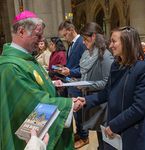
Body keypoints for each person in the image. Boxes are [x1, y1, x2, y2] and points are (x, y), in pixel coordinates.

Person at [0, 10, 83, 150]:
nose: (42, 40)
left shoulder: (25, 58)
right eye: (38, 35)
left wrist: (49, 84)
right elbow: (29, 104)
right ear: (21, 32)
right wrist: (68, 104)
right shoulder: (10, 67)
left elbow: (32, 85)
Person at [75, 26, 145, 150]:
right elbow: (108, 92)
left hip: (130, 131)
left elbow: (139, 108)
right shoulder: (116, 65)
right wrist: (87, 100)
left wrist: (115, 125)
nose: (110, 45)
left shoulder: (143, 69)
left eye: (114, 41)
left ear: (127, 42)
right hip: (113, 128)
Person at [74, 22, 114, 149]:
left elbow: (107, 82)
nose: (84, 42)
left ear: (94, 37)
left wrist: (87, 86)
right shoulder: (88, 54)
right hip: (92, 100)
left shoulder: (105, 56)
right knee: (97, 133)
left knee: (104, 137)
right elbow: (88, 75)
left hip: (101, 102)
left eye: (86, 39)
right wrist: (79, 81)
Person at [58, 20, 86, 97]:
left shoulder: (82, 42)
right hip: (70, 82)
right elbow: (71, 64)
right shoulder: (71, 44)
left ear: (71, 30)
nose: (64, 38)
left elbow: (85, 67)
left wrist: (70, 71)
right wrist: (64, 69)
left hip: (78, 83)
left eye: (65, 35)